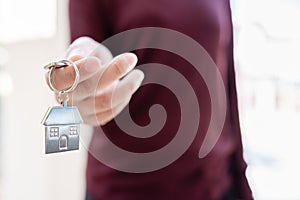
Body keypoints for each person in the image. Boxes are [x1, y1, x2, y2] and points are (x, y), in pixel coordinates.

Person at [50, 0, 253, 199]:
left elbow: (226, 87)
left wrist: (242, 182)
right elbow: (84, 69)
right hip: (125, 188)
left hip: (215, 184)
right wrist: (87, 80)